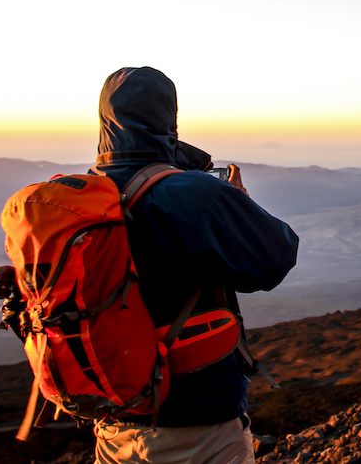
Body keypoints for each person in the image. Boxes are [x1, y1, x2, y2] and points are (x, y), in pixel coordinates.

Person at [89, 66, 299, 464]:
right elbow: (276, 258)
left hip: (113, 426)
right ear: (171, 118)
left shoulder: (86, 196)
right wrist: (237, 200)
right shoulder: (197, 193)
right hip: (199, 424)